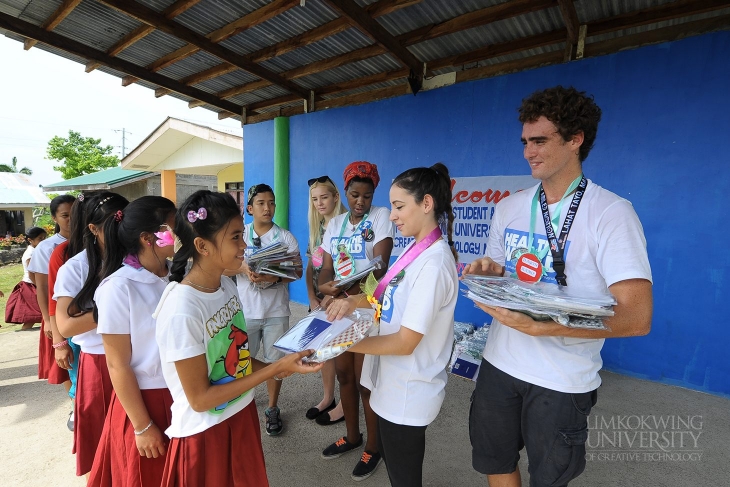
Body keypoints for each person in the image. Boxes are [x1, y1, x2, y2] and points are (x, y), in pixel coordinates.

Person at [464, 86, 653, 487]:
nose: (528, 152)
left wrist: (547, 327)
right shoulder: (509, 207)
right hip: (499, 362)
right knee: (497, 464)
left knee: (549, 479)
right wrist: (487, 272)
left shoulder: (612, 213)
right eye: (525, 142)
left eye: (540, 141)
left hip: (562, 378)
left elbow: (637, 317)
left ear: (575, 139)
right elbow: (500, 274)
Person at [153, 190, 322, 486]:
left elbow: (240, 359)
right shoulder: (182, 309)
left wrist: (286, 365)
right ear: (202, 246)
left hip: (239, 414)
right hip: (206, 433)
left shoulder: (226, 287)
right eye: (235, 238)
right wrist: (274, 370)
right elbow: (201, 399)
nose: (245, 245)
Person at [326, 163, 459, 487]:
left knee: (403, 477)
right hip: (391, 385)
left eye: (399, 206)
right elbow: (380, 294)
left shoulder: (434, 263)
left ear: (426, 204)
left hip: (409, 392)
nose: (393, 215)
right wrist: (351, 301)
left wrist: (341, 343)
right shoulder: (412, 251)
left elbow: (405, 342)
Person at [88, 196, 177, 487]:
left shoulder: (173, 276)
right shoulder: (119, 287)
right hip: (148, 401)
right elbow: (117, 364)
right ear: (147, 238)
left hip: (182, 392)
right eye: (175, 228)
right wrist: (142, 425)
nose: (182, 234)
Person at [317, 161, 394, 481]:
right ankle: (352, 437)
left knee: (366, 384)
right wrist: (324, 285)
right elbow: (324, 265)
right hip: (339, 309)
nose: (360, 201)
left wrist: (346, 289)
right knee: (344, 376)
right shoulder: (334, 224)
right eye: (354, 194)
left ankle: (374, 448)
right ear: (344, 192)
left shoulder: (382, 216)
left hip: (366, 308)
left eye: (367, 194)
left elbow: (381, 264)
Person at [55, 192, 130, 477]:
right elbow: (66, 325)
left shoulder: (137, 259)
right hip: (100, 363)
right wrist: (109, 309)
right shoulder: (76, 268)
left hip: (139, 358)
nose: (119, 233)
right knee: (105, 445)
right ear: (93, 228)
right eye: (112, 225)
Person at [231, 183, 301, 436]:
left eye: (271, 202)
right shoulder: (240, 235)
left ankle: (272, 407)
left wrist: (274, 279)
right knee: (240, 361)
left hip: (275, 312)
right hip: (245, 312)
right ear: (250, 208)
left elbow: (297, 271)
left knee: (275, 363)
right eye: (261, 203)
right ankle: (240, 403)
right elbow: (224, 265)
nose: (267, 208)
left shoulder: (285, 237)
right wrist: (242, 269)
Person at [304, 175, 347, 425]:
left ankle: (344, 403)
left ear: (335, 197)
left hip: (341, 298)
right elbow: (312, 265)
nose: (319, 203)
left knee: (342, 352)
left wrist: (332, 297)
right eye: (315, 199)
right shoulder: (318, 227)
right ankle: (328, 397)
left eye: (324, 197)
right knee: (323, 352)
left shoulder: (346, 226)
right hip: (319, 300)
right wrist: (311, 297)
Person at [48, 195, 90, 431]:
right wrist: (59, 342)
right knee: (79, 379)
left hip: (100, 333)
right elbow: (54, 302)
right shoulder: (62, 254)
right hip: (73, 331)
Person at [28, 194, 74, 380]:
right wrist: (47, 319)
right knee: (64, 365)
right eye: (65, 215)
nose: (71, 219)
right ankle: (74, 406)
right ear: (54, 218)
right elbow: (43, 287)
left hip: (82, 310)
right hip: (57, 313)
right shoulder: (47, 247)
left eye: (75, 213)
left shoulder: (92, 239)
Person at [5, 226, 47, 330]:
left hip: (34, 284)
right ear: (30, 240)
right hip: (31, 285)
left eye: (44, 238)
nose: (43, 241)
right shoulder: (30, 253)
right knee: (35, 314)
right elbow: (31, 273)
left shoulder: (37, 250)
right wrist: (39, 287)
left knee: (36, 316)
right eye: (40, 239)